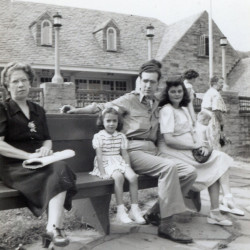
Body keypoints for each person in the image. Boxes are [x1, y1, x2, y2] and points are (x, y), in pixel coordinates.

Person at [61, 59, 197, 244]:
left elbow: (180, 98)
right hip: (132, 151)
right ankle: (167, 224)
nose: (148, 85)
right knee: (169, 168)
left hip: (153, 151)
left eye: (152, 82)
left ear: (158, 83)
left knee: (189, 172)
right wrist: (76, 110)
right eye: (145, 81)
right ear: (139, 81)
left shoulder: (157, 102)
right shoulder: (128, 100)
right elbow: (102, 107)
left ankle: (155, 212)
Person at [0, 62, 77, 248]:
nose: (20, 85)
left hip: (39, 162)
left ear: (30, 83)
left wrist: (45, 150)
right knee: (60, 174)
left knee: (61, 168)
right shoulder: (3, 109)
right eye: (15, 81)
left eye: (24, 80)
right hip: (14, 166)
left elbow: (47, 139)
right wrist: (27, 157)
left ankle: (51, 229)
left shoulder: (38, 110)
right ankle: (54, 232)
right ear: (7, 86)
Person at [157, 80, 243, 226]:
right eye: (173, 91)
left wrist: (201, 144)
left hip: (188, 148)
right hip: (172, 151)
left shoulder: (183, 109)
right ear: (167, 93)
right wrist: (193, 145)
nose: (177, 94)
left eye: (179, 91)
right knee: (218, 159)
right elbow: (169, 140)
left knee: (217, 161)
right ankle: (222, 203)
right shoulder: (167, 110)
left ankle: (218, 209)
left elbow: (193, 131)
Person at [90, 107, 146, 224]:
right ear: (102, 122)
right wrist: (103, 173)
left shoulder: (121, 136)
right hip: (105, 162)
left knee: (133, 177)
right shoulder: (99, 136)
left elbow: (125, 154)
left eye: (114, 121)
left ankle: (134, 210)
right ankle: (120, 210)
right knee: (118, 177)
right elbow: (99, 156)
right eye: (108, 121)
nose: (111, 124)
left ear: (118, 122)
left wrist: (128, 167)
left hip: (118, 160)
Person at [201, 76, 227, 150]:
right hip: (213, 120)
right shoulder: (215, 94)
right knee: (214, 141)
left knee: (208, 141)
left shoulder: (209, 92)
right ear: (214, 83)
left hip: (206, 120)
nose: (222, 85)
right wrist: (221, 122)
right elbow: (216, 110)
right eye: (221, 83)